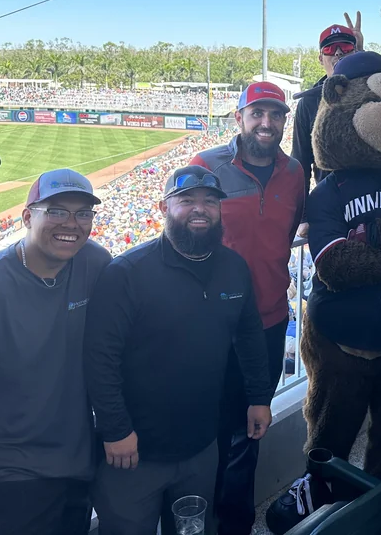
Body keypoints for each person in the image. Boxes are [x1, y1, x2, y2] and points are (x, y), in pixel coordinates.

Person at [84, 166, 273, 535]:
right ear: (163, 207)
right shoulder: (127, 273)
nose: (199, 209)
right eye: (186, 200)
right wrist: (116, 430)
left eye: (210, 201)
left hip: (202, 445)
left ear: (221, 210)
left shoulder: (234, 267)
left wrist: (259, 396)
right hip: (134, 451)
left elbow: (249, 335)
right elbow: (99, 359)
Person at [0, 169, 112, 535]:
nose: (72, 223)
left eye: (83, 213)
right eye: (56, 211)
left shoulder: (95, 264)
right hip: (4, 472)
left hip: (74, 460)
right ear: (26, 217)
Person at [190, 82, 306, 535]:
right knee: (211, 431)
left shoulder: (295, 172)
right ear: (238, 118)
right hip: (213, 326)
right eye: (257, 113)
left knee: (251, 429)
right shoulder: (206, 165)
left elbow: (287, 229)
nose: (266, 123)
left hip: (270, 323)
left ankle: (235, 525)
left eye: (275, 115)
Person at [291, 18, 362, 218]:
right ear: (320, 59)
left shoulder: (372, 91)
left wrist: (362, 55)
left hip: (372, 201)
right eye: (329, 49)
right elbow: (300, 161)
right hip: (330, 203)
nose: (338, 52)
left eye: (346, 46)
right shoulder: (309, 102)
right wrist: (303, 216)